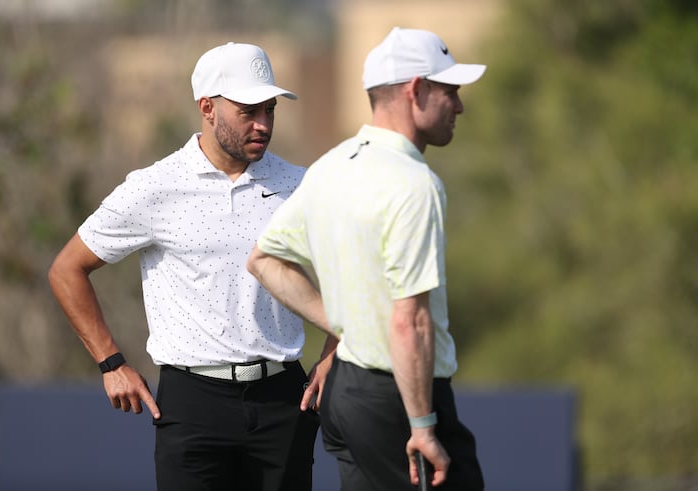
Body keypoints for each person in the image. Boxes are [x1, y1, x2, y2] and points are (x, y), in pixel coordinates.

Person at [48, 41, 329, 491]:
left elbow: (351, 271)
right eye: (248, 111)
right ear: (207, 108)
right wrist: (111, 363)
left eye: (269, 110)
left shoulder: (300, 184)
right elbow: (67, 269)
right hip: (193, 401)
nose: (263, 124)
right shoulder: (155, 187)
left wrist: (334, 349)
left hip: (283, 399)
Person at [247, 27, 487, 490]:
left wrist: (346, 326)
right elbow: (409, 322)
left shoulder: (333, 166)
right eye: (450, 91)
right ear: (416, 89)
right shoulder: (415, 184)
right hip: (399, 399)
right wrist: (422, 425)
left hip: (347, 395)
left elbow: (264, 260)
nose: (458, 106)